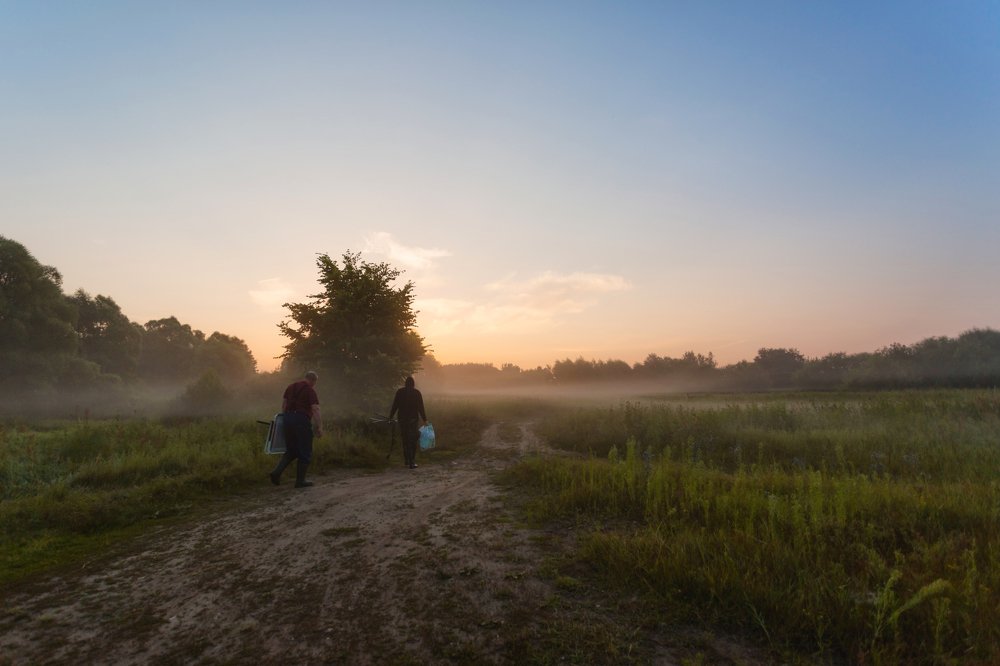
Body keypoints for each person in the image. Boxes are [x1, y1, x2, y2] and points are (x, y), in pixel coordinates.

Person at [269, 370, 323, 488]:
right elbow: (315, 409)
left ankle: (276, 473)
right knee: (305, 450)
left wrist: (286, 421)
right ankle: (300, 481)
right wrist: (319, 426)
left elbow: (284, 406)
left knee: (292, 450)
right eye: (315, 383)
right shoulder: (310, 390)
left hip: (287, 419)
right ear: (313, 381)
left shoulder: (290, 387)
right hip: (301, 420)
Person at [388, 375, 426, 469]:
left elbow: (395, 406)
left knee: (405, 439)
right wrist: (425, 419)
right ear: (413, 384)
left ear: (405, 383)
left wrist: (390, 417)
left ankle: (406, 460)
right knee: (413, 440)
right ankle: (412, 461)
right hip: (413, 420)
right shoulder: (417, 393)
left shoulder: (400, 392)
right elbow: (421, 408)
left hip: (402, 420)